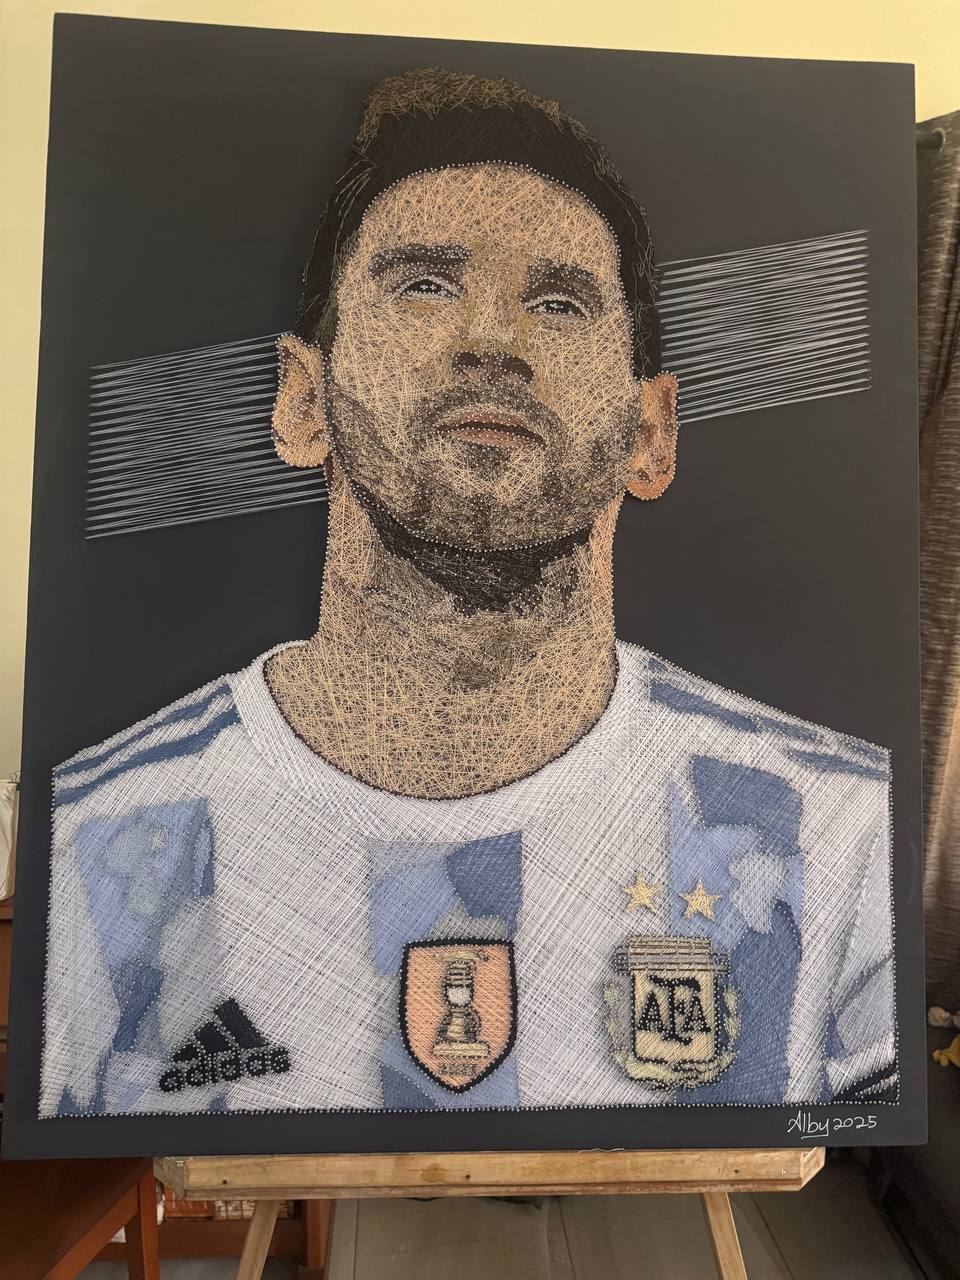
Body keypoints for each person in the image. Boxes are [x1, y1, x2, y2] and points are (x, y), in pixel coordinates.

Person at [40, 69, 896, 1119]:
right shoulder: (92, 843)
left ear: (650, 433)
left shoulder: (842, 833)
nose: (494, 341)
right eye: (423, 286)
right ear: (303, 400)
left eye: (559, 302)